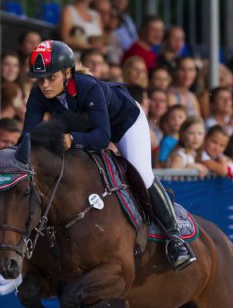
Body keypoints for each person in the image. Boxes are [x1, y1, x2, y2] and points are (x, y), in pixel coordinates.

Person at [23, 39, 195, 271]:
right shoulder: (38, 95)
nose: (44, 85)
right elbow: (27, 137)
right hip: (86, 129)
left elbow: (103, 137)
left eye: (50, 78)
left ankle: (176, 240)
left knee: (142, 174)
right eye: (39, 79)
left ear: (67, 73)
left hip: (124, 123)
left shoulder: (87, 86)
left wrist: (72, 140)